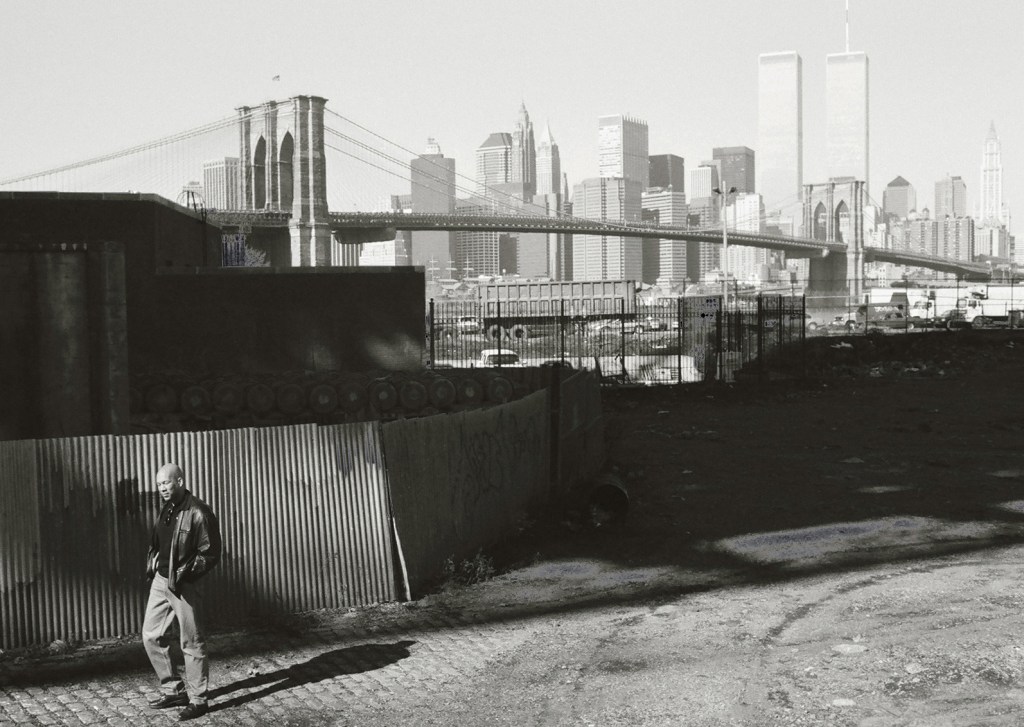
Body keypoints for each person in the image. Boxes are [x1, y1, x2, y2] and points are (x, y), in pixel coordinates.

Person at [142, 463, 222, 721]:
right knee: (151, 635)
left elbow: (210, 553)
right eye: (159, 484)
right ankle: (174, 690)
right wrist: (154, 564)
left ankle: (199, 700)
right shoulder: (167, 508)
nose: (162, 488)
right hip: (161, 580)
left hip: (184, 583)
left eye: (166, 482)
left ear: (180, 481)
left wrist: (186, 575)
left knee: (191, 641)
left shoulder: (199, 511)